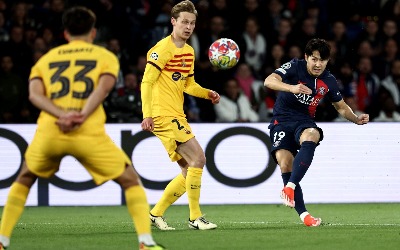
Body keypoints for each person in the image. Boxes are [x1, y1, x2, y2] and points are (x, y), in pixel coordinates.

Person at [0, 6, 165, 250]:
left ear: (65, 33)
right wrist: (81, 115)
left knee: (25, 177)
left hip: (52, 130)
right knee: (130, 181)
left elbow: (35, 95)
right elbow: (103, 89)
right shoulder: (105, 56)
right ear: (93, 32)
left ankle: (2, 240)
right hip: (87, 132)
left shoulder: (46, 59)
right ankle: (146, 242)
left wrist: (62, 115)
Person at [264, 38, 369, 227]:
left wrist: (355, 118)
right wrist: (291, 88)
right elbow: (269, 81)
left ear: (328, 61)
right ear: (306, 58)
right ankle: (305, 216)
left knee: (312, 134)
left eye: (322, 60)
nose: (318, 64)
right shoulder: (294, 67)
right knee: (285, 164)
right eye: (314, 59)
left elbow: (341, 106)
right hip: (281, 121)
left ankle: (289, 187)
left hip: (304, 122)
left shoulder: (328, 80)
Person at [141, 0, 220, 230]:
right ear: (173, 21)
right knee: (199, 159)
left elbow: (188, 84)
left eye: (192, 23)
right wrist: (147, 114)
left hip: (176, 113)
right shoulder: (160, 50)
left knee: (188, 171)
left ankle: (156, 214)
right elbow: (146, 82)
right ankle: (195, 217)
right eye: (184, 22)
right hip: (162, 114)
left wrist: (208, 94)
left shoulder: (189, 51)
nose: (188, 27)